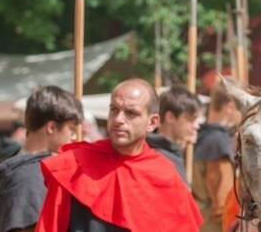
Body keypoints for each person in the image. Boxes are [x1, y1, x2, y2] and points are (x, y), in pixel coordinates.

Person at [36, 78, 202, 231]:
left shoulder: (165, 175)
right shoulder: (73, 166)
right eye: (114, 110)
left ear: (152, 122)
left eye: (131, 113)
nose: (118, 119)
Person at [0, 85, 83, 232]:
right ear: (51, 127)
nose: (74, 136)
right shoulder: (30, 178)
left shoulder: (15, 167)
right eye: (71, 129)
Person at [193, 78, 238, 232]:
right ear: (230, 106)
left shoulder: (200, 135)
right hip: (215, 226)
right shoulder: (218, 141)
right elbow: (223, 203)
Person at [147, 86, 203, 186]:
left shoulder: (171, 153)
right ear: (170, 117)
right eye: (190, 119)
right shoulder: (158, 158)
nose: (196, 126)